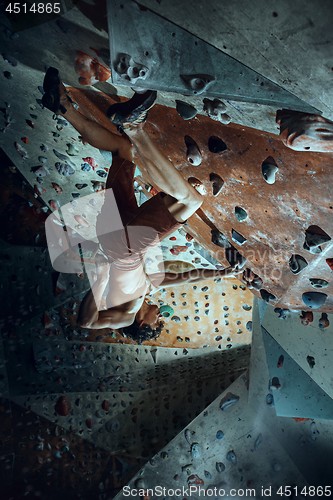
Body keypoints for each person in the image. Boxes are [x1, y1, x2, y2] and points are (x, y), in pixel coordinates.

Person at [42, 67, 240, 342]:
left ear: (142, 324)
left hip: (122, 249)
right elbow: (181, 278)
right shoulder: (142, 291)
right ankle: (63, 106)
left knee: (190, 199)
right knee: (122, 151)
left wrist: (100, 278)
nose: (161, 317)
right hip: (115, 233)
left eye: (157, 323)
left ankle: (135, 125)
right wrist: (218, 273)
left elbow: (86, 321)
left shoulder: (127, 313)